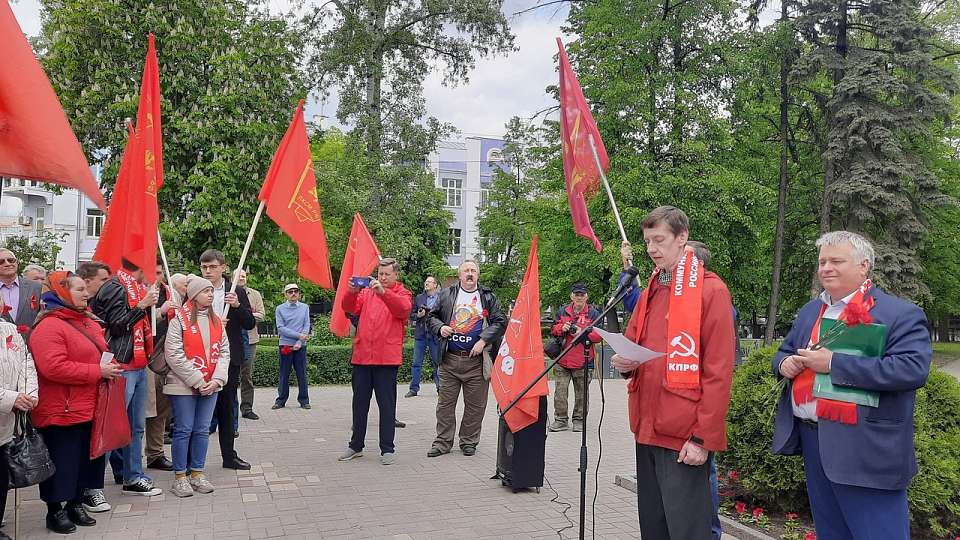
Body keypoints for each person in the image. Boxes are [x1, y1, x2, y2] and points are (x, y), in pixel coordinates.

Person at [772, 231, 931, 540]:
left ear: (864, 266)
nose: (826, 268)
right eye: (822, 262)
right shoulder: (810, 311)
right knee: (831, 533)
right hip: (814, 440)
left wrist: (834, 364)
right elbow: (783, 352)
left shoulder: (899, 314)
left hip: (866, 449)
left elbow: (912, 369)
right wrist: (784, 364)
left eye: (836, 261)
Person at [611, 206, 735, 540]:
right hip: (647, 428)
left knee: (687, 532)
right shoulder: (651, 287)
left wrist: (702, 438)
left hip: (683, 437)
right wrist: (624, 365)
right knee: (654, 527)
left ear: (682, 238)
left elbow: (719, 372)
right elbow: (635, 344)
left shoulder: (711, 291)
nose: (651, 248)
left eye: (659, 239)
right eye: (647, 240)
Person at [30, 271, 124, 534]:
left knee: (86, 460)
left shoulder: (88, 321)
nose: (87, 293)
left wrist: (109, 366)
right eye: (80, 289)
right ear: (62, 292)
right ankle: (54, 510)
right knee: (62, 461)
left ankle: (74, 503)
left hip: (90, 405)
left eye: (86, 288)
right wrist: (98, 372)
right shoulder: (49, 325)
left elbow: (98, 353)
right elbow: (53, 368)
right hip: (62, 409)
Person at [91, 258, 162, 496]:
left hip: (139, 364)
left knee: (136, 427)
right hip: (119, 365)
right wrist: (142, 306)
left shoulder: (139, 288)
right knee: (111, 427)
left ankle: (133, 476)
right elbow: (116, 325)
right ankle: (93, 486)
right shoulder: (114, 286)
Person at [426, 259, 506, 457]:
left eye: (473, 271)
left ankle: (469, 441)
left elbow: (501, 321)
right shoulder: (446, 294)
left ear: (478, 275)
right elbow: (431, 317)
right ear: (460, 275)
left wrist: (483, 340)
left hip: (477, 363)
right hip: (450, 360)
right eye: (466, 271)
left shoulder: (487, 296)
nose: (470, 274)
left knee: (476, 406)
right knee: (445, 405)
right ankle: (443, 442)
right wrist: (440, 327)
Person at [337, 258, 412, 465]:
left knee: (387, 406)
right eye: (380, 274)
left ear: (396, 275)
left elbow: (403, 310)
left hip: (386, 359)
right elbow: (349, 308)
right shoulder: (366, 292)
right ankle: (355, 445)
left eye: (387, 274)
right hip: (362, 357)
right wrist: (351, 291)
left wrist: (383, 292)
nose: (383, 278)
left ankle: (387, 448)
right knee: (359, 404)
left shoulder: (402, 293)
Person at [163, 275, 230, 498]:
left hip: (211, 385)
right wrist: (198, 380)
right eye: (206, 291)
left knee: (202, 430)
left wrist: (217, 380)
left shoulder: (218, 321)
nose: (211, 294)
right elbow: (173, 354)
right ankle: (180, 477)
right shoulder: (179, 320)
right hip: (183, 385)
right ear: (193, 295)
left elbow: (223, 352)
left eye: (212, 291)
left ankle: (197, 473)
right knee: (184, 429)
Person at [198, 249, 255, 470]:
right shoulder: (196, 290)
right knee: (199, 409)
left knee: (227, 406)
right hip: (201, 357)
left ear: (223, 267)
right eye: (204, 267)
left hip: (228, 359)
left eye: (212, 267)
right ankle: (194, 460)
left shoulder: (236, 291)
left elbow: (250, 323)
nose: (208, 271)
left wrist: (238, 307)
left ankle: (229, 456)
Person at [0, 318, 38, 540]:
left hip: (5, 422)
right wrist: (11, 398)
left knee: (2, 475)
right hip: (7, 404)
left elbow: (26, 363)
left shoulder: (9, 329)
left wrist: (28, 393)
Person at [548, 283, 600, 433]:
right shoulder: (562, 311)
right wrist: (561, 328)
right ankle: (560, 420)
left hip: (583, 360)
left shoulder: (593, 314)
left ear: (586, 297)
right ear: (571, 296)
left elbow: (598, 336)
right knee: (560, 392)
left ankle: (579, 420)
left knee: (582, 394)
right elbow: (553, 329)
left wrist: (581, 332)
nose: (579, 297)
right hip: (562, 358)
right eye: (576, 294)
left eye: (582, 295)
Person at [146, 262, 176, 472]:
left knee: (161, 409)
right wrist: (160, 311)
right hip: (144, 359)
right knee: (144, 410)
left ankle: (155, 454)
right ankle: (127, 462)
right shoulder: (139, 293)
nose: (156, 276)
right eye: (152, 272)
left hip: (166, 359)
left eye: (159, 272)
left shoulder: (170, 293)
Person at [273, 283, 311, 409]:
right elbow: (281, 328)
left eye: (296, 291)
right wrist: (299, 336)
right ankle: (281, 400)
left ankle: (304, 400)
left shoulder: (305, 307)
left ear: (299, 293)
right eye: (290, 292)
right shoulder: (279, 309)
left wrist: (300, 342)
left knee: (302, 373)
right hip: (285, 345)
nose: (293, 293)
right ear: (285, 294)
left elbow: (306, 326)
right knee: (284, 373)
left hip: (301, 346)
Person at [406, 276, 442, 397]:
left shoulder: (441, 298)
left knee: (437, 362)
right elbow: (411, 315)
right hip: (421, 334)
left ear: (435, 285)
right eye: (425, 282)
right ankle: (413, 389)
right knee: (416, 363)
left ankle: (440, 388)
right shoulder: (419, 298)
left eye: (429, 282)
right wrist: (419, 315)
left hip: (435, 335)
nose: (426, 283)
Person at [238, 270, 265, 420]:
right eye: (239, 275)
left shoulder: (255, 294)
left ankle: (247, 408)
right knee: (227, 377)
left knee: (246, 375)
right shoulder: (228, 293)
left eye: (244, 276)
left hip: (250, 340)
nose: (241, 278)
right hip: (231, 340)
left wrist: (244, 314)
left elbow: (261, 314)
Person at [0, 248, 43, 335]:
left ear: (17, 262)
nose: (7, 264)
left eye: (11, 260)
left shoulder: (36, 287)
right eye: (1, 261)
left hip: (31, 343)